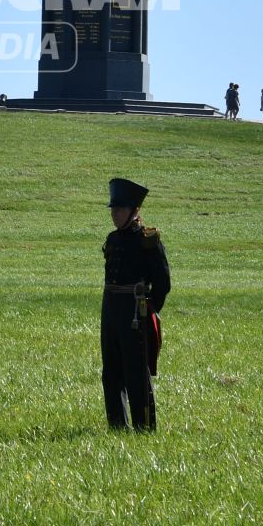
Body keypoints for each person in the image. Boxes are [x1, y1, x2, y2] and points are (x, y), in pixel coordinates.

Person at [101, 177, 170, 431]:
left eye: (120, 209)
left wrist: (149, 310)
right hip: (110, 309)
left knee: (136, 372)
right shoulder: (113, 239)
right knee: (111, 371)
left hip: (135, 312)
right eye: (114, 209)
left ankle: (144, 426)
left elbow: (163, 283)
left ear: (135, 210)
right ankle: (117, 425)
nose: (115, 214)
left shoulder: (148, 240)